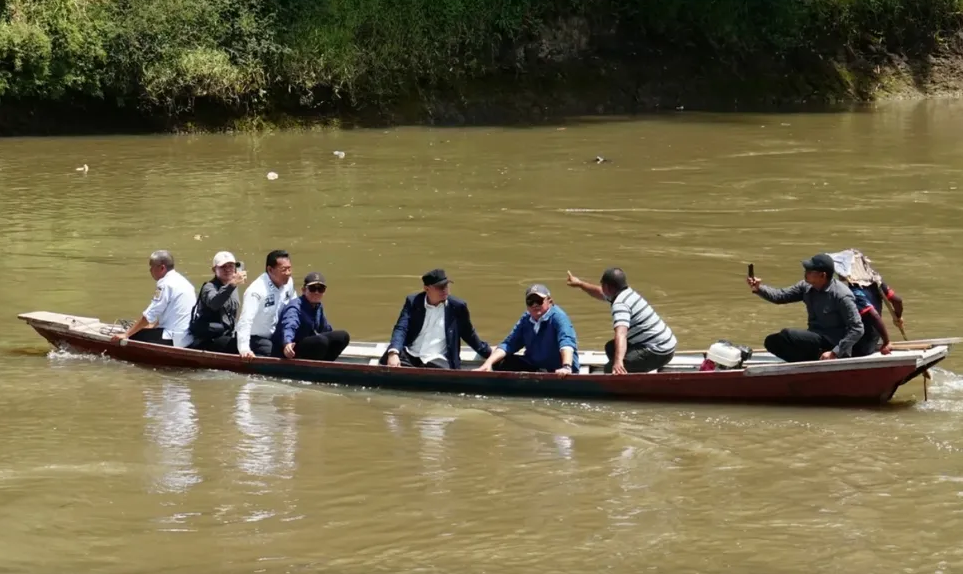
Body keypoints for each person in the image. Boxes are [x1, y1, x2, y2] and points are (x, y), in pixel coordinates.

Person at [748, 253, 864, 362]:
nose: (806, 272)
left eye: (809, 271)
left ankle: (823, 359)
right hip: (815, 338)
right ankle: (808, 363)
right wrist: (759, 288)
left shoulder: (842, 295)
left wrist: (834, 353)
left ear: (822, 275)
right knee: (772, 342)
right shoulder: (806, 286)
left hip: (833, 344)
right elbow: (780, 296)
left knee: (788, 334)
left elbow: (857, 329)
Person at [566, 267, 677, 374]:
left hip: (659, 351)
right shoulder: (626, 293)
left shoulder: (620, 304)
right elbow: (599, 292)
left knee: (610, 370)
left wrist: (618, 362)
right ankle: (631, 373)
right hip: (663, 344)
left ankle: (629, 382)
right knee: (611, 348)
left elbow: (621, 334)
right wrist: (580, 284)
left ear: (607, 287)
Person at [380, 269, 490, 369]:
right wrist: (393, 353)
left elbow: (468, 333)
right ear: (426, 289)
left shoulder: (458, 307)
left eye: (446, 286)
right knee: (389, 365)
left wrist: (488, 352)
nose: (445, 290)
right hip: (411, 354)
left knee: (443, 374)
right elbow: (401, 328)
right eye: (440, 287)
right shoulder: (413, 302)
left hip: (438, 358)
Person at [474, 284, 579, 374]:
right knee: (500, 361)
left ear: (549, 301)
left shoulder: (559, 317)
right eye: (530, 301)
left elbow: (566, 343)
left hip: (558, 369)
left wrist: (566, 367)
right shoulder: (526, 318)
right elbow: (509, 344)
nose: (534, 305)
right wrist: (488, 363)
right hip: (535, 366)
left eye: (538, 301)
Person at [112, 250, 196, 347]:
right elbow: (170, 312)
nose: (150, 270)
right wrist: (152, 326)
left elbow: (149, 315)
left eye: (152, 267)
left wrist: (126, 334)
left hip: (173, 338)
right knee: (143, 330)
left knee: (134, 335)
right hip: (186, 337)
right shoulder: (183, 281)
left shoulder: (165, 284)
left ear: (162, 268)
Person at [274, 272, 352, 361]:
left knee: (342, 336)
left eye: (320, 289)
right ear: (303, 290)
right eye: (312, 289)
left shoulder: (318, 306)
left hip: (310, 344)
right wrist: (287, 343)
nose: (316, 292)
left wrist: (333, 340)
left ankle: (327, 363)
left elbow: (325, 329)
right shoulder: (295, 307)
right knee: (320, 341)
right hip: (291, 349)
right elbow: (289, 326)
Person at [236, 249, 296, 359]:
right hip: (256, 338)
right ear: (270, 270)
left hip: (277, 334)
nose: (288, 273)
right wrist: (244, 349)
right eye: (284, 270)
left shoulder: (289, 283)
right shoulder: (256, 291)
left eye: (289, 269)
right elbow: (245, 321)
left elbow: (294, 309)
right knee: (277, 353)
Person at [188, 251, 246, 353]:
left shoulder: (233, 286)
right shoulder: (209, 287)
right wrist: (231, 285)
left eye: (231, 266)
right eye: (223, 267)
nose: (228, 269)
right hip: (210, 338)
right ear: (214, 270)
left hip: (227, 334)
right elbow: (214, 304)